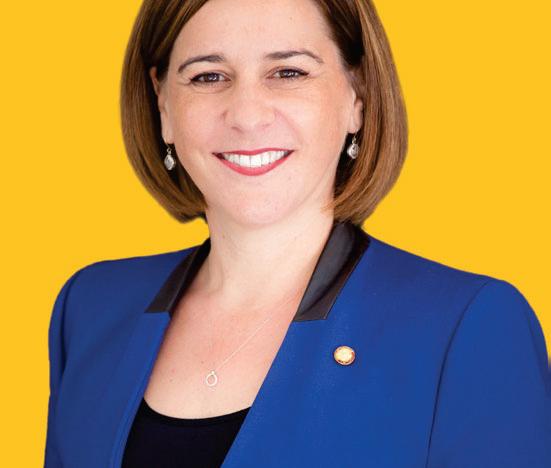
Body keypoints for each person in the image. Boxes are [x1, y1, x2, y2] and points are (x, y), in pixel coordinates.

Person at [44, 0, 551, 467]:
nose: (247, 115)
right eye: (208, 76)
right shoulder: (89, 309)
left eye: (288, 72)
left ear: (357, 96)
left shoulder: (471, 329)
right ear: (163, 107)